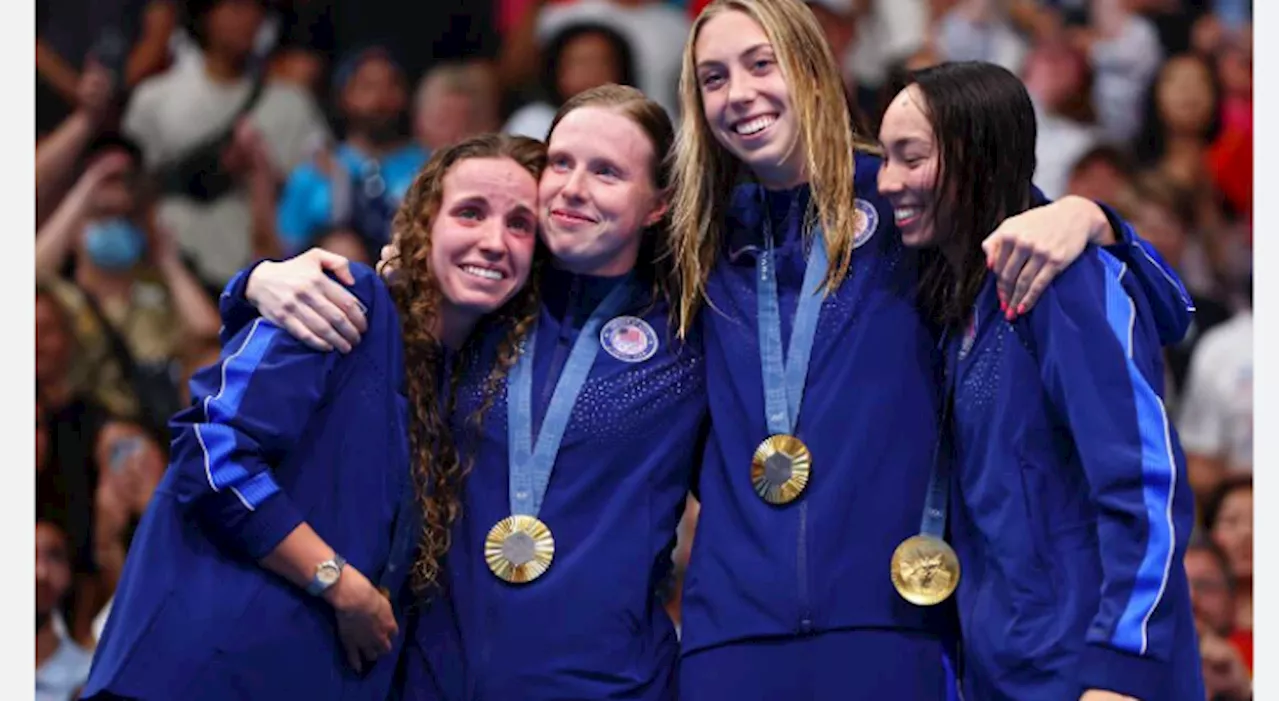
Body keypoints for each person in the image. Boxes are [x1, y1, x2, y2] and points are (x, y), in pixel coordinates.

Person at [667, 1, 1193, 699]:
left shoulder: (906, 197)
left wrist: (1093, 218)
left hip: (895, 627)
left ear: (814, 71)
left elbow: (1140, 297)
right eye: (713, 77)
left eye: (762, 64)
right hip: (733, 632)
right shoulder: (692, 243)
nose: (740, 93)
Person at [239, 83, 704, 701]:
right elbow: (370, 308)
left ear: (657, 205)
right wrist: (255, 280)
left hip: (610, 683)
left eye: (608, 172)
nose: (573, 186)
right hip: (435, 676)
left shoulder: (691, 334)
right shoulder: (484, 303)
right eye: (561, 163)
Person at [78, 133, 546, 701]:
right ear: (424, 224)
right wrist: (339, 584)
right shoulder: (346, 301)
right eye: (470, 212)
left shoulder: (464, 383)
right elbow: (209, 454)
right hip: (200, 676)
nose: (495, 241)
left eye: (521, 224)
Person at [877, 60, 1203, 701]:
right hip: (1006, 671)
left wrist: (1122, 670)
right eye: (883, 158)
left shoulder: (1065, 280)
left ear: (974, 156)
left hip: (1092, 673)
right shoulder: (960, 304)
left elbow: (1144, 485)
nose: (887, 182)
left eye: (909, 158)